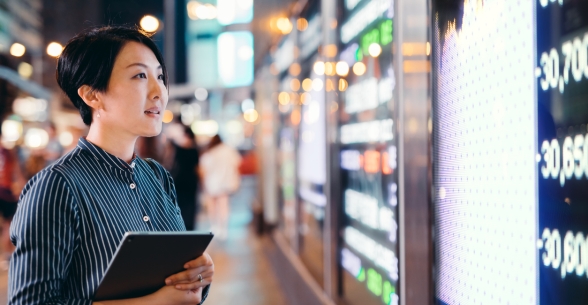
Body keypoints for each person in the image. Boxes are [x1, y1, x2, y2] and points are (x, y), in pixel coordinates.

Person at [8, 26, 214, 304]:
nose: (159, 92)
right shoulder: (56, 186)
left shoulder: (157, 176)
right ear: (93, 95)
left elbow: (176, 281)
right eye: (140, 75)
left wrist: (197, 275)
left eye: (160, 76)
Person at [199, 135, 241, 240]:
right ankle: (223, 228)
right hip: (225, 183)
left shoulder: (209, 152)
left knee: (212, 206)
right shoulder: (228, 150)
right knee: (224, 206)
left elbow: (203, 169)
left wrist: (203, 183)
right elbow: (237, 163)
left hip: (211, 183)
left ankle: (214, 226)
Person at [169, 124, 200, 230]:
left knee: (181, 203)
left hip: (180, 180)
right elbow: (197, 168)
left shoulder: (179, 149)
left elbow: (173, 164)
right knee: (190, 204)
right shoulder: (194, 150)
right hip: (191, 180)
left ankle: (181, 225)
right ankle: (189, 226)